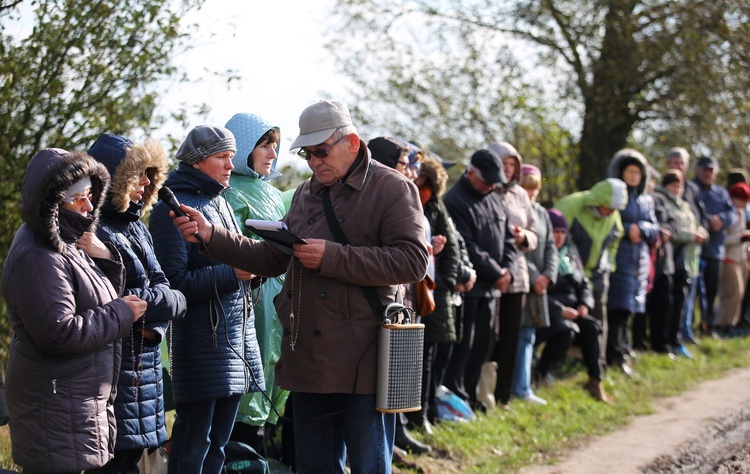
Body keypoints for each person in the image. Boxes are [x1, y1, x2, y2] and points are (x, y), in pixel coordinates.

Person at [168, 100, 428, 473]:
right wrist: (212, 236)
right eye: (307, 153)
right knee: (314, 466)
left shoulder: (392, 188)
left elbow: (413, 261)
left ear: (352, 142)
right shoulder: (307, 193)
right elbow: (273, 258)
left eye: (322, 151)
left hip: (366, 355)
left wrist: (332, 257)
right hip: (308, 354)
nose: (314, 161)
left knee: (369, 464)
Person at [1, 148, 147, 473]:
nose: (89, 206)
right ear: (53, 203)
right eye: (79, 199)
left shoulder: (67, 242)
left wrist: (106, 257)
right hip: (54, 400)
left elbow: (95, 295)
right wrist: (121, 314)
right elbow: (59, 332)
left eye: (90, 196)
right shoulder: (38, 255)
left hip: (72, 398)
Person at [148, 125, 266, 473]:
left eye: (232, 156)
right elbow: (174, 284)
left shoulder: (219, 201)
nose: (230, 165)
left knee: (217, 446)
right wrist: (234, 274)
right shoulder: (172, 208)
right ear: (198, 161)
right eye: (222, 157)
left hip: (233, 342)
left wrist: (253, 269)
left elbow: (237, 264)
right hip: (201, 344)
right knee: (192, 446)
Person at [84, 134, 188, 474]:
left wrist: (151, 323)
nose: (146, 182)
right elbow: (107, 297)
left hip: (144, 372)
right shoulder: (91, 231)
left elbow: (174, 296)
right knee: (112, 463)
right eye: (138, 173)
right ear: (114, 178)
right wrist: (147, 303)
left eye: (150, 174)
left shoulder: (136, 227)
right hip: (113, 373)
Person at [224, 113, 290, 456]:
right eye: (265, 145)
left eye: (275, 146)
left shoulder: (272, 193)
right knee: (250, 375)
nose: (272, 153)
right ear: (244, 146)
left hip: (279, 298)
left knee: (274, 368)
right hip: (252, 299)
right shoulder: (229, 193)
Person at [367, 135, 433, 455]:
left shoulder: (401, 193)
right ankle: (385, 443)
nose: (411, 173)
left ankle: (398, 432)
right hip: (377, 303)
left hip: (399, 297)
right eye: (404, 166)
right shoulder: (375, 197)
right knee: (378, 379)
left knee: (398, 374)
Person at [443, 149, 517, 413]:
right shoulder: (454, 201)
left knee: (483, 346)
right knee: (464, 345)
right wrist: (498, 272)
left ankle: (473, 394)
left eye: (493, 182)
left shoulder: (495, 198)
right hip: (470, 289)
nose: (489, 186)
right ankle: (456, 396)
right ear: (471, 172)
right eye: (485, 181)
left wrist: (508, 270)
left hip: (492, 290)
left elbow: (508, 239)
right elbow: (468, 247)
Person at [553, 177, 627, 374]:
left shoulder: (613, 215)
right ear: (598, 201)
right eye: (608, 208)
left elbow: (615, 240)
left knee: (597, 319)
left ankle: (596, 366)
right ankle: (556, 365)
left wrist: (608, 266)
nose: (610, 213)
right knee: (564, 318)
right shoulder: (570, 206)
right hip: (566, 276)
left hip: (597, 275)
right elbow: (553, 237)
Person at [535, 209, 609, 402]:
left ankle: (595, 380)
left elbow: (584, 284)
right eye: (555, 232)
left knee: (592, 327)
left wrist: (585, 304)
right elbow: (538, 290)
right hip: (550, 312)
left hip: (574, 309)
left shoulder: (571, 253)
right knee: (566, 330)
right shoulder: (541, 254)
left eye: (562, 232)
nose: (559, 237)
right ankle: (541, 372)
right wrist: (560, 310)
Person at [488, 141, 539, 410]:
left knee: (510, 337)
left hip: (518, 275)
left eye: (512, 165)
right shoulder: (488, 190)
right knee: (489, 337)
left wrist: (524, 237)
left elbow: (535, 233)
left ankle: (503, 396)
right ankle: (483, 393)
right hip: (494, 273)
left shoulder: (520, 194)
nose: (508, 170)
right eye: (503, 164)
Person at [605, 149, 659, 374]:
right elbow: (608, 221)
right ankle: (614, 354)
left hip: (639, 262)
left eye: (637, 172)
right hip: (620, 258)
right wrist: (628, 230)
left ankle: (624, 350)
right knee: (618, 308)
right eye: (630, 171)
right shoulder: (615, 196)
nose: (634, 176)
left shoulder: (646, 200)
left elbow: (654, 227)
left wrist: (642, 229)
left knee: (630, 310)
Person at [512, 164, 557, 406]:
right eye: (527, 188)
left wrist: (547, 276)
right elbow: (518, 251)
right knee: (519, 337)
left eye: (535, 189)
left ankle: (524, 385)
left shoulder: (542, 214)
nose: (531, 194)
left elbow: (551, 247)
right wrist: (534, 276)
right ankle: (518, 386)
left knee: (530, 336)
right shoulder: (516, 212)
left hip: (539, 286)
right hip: (522, 284)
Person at [652, 170, 708, 359]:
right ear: (666, 185)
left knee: (682, 304)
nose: (677, 189)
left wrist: (702, 232)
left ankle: (678, 340)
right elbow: (671, 229)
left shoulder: (685, 204)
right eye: (674, 185)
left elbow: (697, 223)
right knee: (670, 304)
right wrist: (691, 236)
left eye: (680, 185)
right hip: (671, 260)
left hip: (689, 261)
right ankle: (667, 342)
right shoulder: (661, 200)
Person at [691, 155, 736, 337]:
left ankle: (708, 325)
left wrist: (722, 220)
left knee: (711, 290)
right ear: (697, 170)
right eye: (705, 169)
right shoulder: (692, 188)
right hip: (697, 248)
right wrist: (709, 221)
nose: (708, 173)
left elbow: (731, 212)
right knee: (694, 291)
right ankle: (691, 327)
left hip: (716, 249)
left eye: (711, 170)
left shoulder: (721, 192)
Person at [666, 147, 704, 345]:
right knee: (675, 300)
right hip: (674, 256)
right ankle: (675, 336)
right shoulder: (662, 192)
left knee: (689, 299)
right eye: (675, 163)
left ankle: (686, 332)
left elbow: (699, 217)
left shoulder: (691, 189)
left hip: (692, 255)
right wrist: (691, 235)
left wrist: (702, 231)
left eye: (682, 163)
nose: (678, 167)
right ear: (667, 165)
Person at [716, 182, 750, 335]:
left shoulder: (742, 213)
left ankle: (733, 322)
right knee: (732, 292)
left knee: (739, 293)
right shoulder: (728, 213)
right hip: (729, 257)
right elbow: (723, 239)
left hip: (741, 257)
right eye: (740, 199)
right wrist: (739, 238)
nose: (742, 203)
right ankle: (722, 323)